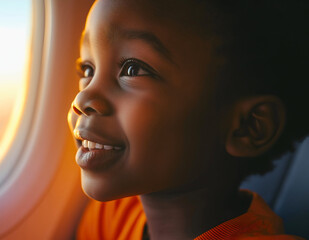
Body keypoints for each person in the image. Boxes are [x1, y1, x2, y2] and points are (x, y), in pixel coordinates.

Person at [67, 0, 308, 239]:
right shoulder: (111, 216)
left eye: (134, 69)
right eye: (88, 70)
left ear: (247, 127)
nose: (82, 99)